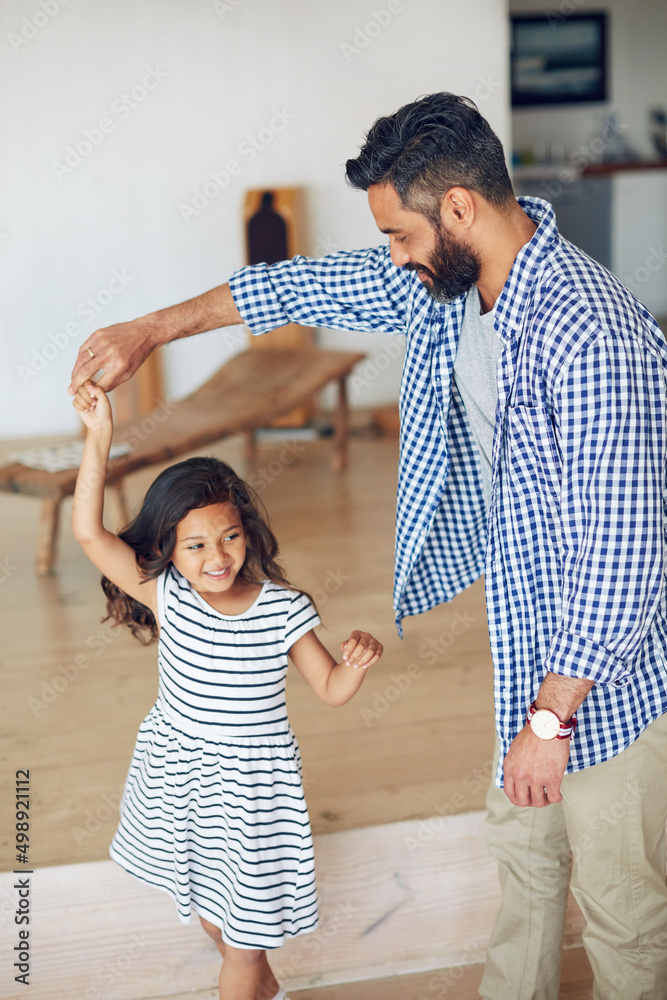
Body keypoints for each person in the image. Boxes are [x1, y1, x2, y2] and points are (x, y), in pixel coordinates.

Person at [68, 93, 667, 999]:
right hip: (531, 658)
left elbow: (625, 557)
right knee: (527, 861)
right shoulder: (454, 282)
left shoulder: (589, 337)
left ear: (456, 209)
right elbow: (293, 285)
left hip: (603, 690)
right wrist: (149, 330)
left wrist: (549, 720)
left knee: (624, 910)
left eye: (395, 234)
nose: (389, 255)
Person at [71, 380, 383, 1000]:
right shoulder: (167, 594)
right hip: (180, 782)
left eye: (230, 536)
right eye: (195, 545)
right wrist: (99, 437)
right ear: (166, 550)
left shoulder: (283, 609)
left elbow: (329, 688)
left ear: (248, 530)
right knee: (218, 920)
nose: (217, 557)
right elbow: (88, 532)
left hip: (251, 795)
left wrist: (357, 661)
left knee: (244, 939)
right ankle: (266, 990)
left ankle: (255, 985)